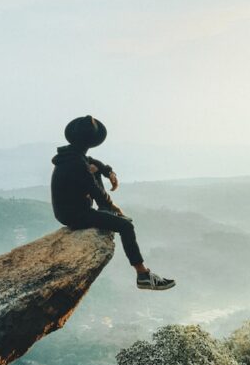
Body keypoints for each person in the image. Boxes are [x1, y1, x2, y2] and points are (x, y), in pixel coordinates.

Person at [51, 115, 175, 291]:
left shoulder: (70, 156)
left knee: (94, 170)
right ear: (92, 141)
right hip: (75, 214)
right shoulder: (77, 163)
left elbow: (93, 162)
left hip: (68, 211)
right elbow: (97, 192)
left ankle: (105, 212)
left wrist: (108, 172)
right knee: (125, 226)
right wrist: (115, 208)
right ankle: (143, 275)